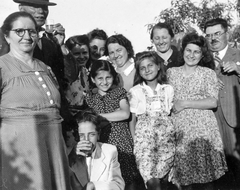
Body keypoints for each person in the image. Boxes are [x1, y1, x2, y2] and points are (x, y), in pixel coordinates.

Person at [0, 11, 70, 190]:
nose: (27, 36)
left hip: (53, 147)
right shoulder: (2, 66)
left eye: (32, 31)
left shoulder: (45, 67)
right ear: (7, 36)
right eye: (19, 31)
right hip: (20, 152)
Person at [167, 32, 227, 190]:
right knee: (183, 179)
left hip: (203, 130)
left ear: (202, 55)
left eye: (196, 51)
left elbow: (212, 102)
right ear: (183, 50)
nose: (191, 55)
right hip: (180, 131)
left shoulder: (208, 73)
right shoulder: (171, 73)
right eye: (188, 50)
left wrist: (185, 103)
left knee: (205, 180)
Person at [85, 59, 140, 190]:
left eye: (108, 77)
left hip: (121, 141)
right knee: (106, 177)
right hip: (102, 142)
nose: (104, 82)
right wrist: (113, 114)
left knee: (127, 177)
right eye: (100, 78)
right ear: (93, 79)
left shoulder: (118, 92)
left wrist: (98, 116)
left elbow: (125, 114)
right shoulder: (90, 98)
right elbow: (89, 121)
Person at [128, 51, 175, 190]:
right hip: (144, 142)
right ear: (139, 71)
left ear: (158, 66)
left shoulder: (168, 89)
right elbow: (132, 119)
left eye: (150, 65)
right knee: (151, 181)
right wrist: (134, 141)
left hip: (165, 140)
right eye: (142, 68)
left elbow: (170, 115)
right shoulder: (135, 91)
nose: (147, 70)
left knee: (163, 180)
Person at [204, 17, 240, 189]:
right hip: (210, 123)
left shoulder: (238, 54)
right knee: (220, 172)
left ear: (227, 33)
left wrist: (238, 68)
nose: (213, 38)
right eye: (209, 35)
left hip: (235, 120)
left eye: (217, 33)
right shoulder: (201, 59)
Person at [68, 108, 125, 190]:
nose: (86, 140)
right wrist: (73, 155)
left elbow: (118, 185)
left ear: (98, 135)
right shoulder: (69, 154)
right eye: (82, 135)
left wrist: (94, 185)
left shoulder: (109, 151)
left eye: (92, 134)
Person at [64, 35, 91, 113]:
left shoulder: (85, 71)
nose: (82, 57)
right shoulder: (67, 72)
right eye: (76, 54)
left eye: (85, 52)